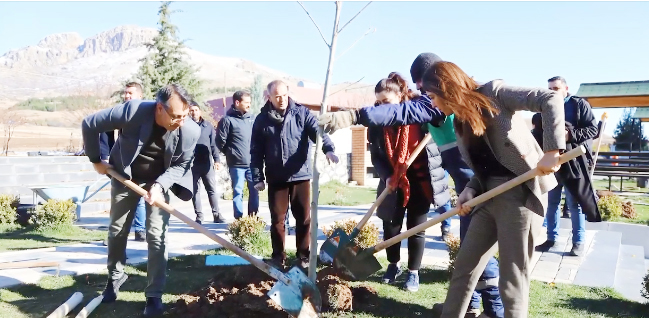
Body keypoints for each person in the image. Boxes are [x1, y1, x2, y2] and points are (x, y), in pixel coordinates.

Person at [318, 61, 565, 318]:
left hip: (519, 195)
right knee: (464, 268)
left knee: (513, 278)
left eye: (434, 96)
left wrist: (552, 150)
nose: (433, 104)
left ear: (447, 89)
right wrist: (470, 189)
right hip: (486, 195)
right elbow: (484, 164)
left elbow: (549, 99)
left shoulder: (495, 93)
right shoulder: (458, 121)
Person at [82, 84, 200, 317]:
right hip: (125, 176)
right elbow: (90, 123)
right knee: (117, 230)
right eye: (176, 116)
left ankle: (154, 295)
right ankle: (115, 277)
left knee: (157, 235)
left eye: (185, 116)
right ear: (159, 108)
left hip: (160, 180)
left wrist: (159, 186)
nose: (181, 122)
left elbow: (181, 165)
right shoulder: (133, 111)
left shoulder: (190, 131)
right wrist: (96, 159)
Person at [412, 53, 503, 317]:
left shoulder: (448, 110)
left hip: (478, 188)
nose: (423, 95)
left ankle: (496, 310)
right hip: (466, 186)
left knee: (478, 252)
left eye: (424, 88)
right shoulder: (436, 105)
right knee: (467, 249)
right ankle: (471, 305)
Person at [368, 72, 450, 292]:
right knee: (390, 226)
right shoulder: (377, 122)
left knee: (416, 228)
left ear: (400, 95)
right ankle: (393, 265)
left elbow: (440, 121)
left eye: (387, 102)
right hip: (391, 181)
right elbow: (376, 155)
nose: (382, 106)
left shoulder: (417, 112)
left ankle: (413, 273)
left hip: (420, 181)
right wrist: (387, 176)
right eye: (379, 102)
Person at [250, 80, 339, 270]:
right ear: (269, 97)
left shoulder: (302, 112)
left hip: (300, 175)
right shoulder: (262, 119)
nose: (281, 99)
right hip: (276, 177)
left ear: (288, 93)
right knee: (277, 220)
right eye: (277, 96)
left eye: (284, 95)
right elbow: (256, 151)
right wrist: (257, 177)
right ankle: (278, 257)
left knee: (304, 219)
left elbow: (317, 131)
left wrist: (328, 149)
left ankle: (303, 256)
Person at [535, 76, 600, 256]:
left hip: (575, 162)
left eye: (555, 88)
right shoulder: (545, 106)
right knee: (552, 203)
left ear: (566, 88)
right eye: (549, 89)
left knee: (574, 204)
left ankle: (578, 243)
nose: (552, 92)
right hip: (552, 162)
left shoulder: (579, 105)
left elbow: (593, 130)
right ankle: (551, 239)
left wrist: (569, 135)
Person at [100, 82, 146, 242]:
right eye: (125, 93)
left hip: (143, 163)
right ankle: (115, 236)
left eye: (130, 93)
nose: (126, 96)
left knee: (139, 195)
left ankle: (140, 230)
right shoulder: (119, 112)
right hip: (123, 163)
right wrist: (107, 155)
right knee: (118, 198)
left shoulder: (148, 112)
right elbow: (105, 130)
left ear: (140, 96)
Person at [216, 90, 259, 219]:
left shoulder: (252, 119)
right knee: (238, 192)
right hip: (236, 165)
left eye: (250, 103)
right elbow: (220, 142)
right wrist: (231, 154)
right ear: (237, 102)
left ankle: (253, 221)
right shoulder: (227, 120)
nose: (249, 105)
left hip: (252, 164)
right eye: (246, 102)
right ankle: (239, 220)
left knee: (254, 192)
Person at [188, 101, 224, 224]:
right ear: (189, 112)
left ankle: (217, 214)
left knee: (212, 189)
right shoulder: (185, 126)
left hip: (207, 163)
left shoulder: (207, 126)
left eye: (196, 110)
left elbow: (213, 144)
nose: (194, 112)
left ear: (200, 111)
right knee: (195, 191)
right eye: (191, 110)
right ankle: (199, 217)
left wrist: (217, 160)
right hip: (192, 164)